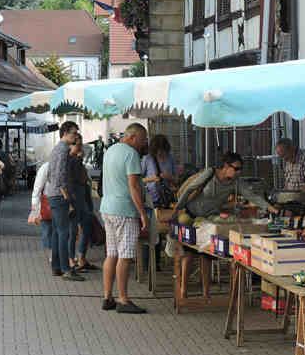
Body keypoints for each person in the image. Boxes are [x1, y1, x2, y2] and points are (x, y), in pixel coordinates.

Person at [171, 152, 277, 297]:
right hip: (190, 214)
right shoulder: (210, 173)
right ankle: (183, 289)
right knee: (188, 254)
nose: (239, 172)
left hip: (208, 218)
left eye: (240, 169)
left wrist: (270, 208)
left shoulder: (236, 182)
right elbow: (189, 189)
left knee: (206, 254)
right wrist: (177, 209)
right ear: (226, 166)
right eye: (236, 168)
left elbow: (251, 196)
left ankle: (206, 293)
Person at [100, 123, 148, 313]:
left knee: (111, 253)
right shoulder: (131, 154)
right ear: (133, 137)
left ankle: (107, 297)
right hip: (124, 210)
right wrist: (142, 214)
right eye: (143, 140)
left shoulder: (110, 150)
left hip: (107, 208)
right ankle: (124, 300)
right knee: (125, 256)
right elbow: (134, 187)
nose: (143, 144)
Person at [45, 121, 85, 281]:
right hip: (60, 196)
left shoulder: (58, 149)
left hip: (54, 195)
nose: (76, 136)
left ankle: (56, 267)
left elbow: (51, 174)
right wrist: (67, 196)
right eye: (74, 133)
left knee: (57, 232)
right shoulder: (62, 150)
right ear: (65, 133)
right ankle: (66, 269)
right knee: (64, 233)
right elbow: (60, 176)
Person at [68, 134, 97, 272]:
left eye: (81, 144)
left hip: (83, 196)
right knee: (73, 231)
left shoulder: (77, 160)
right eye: (77, 145)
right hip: (74, 197)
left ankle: (81, 258)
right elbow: (72, 177)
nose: (80, 148)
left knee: (86, 226)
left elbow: (83, 177)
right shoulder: (69, 159)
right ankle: (71, 260)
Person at [141, 134, 177, 207]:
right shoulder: (147, 159)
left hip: (167, 199)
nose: (160, 153)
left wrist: (170, 177)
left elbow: (176, 179)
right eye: (157, 151)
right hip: (151, 199)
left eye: (162, 150)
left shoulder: (171, 158)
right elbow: (138, 180)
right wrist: (152, 178)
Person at [31, 161, 53, 265]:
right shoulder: (46, 167)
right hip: (47, 201)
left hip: (59, 201)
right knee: (47, 229)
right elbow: (37, 187)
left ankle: (58, 253)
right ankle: (51, 254)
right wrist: (35, 207)